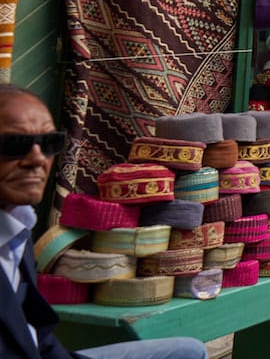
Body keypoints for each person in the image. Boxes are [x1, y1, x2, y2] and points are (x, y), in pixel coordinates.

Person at [0, 86, 208, 359]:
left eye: (50, 144)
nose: (37, 159)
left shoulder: (17, 225)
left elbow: (37, 335)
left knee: (188, 351)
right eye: (15, 145)